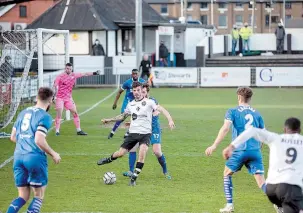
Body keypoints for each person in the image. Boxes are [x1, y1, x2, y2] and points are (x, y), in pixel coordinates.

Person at [98, 81, 175, 186]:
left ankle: (133, 179)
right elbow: (122, 116)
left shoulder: (150, 102)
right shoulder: (131, 104)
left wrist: (170, 120)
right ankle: (109, 159)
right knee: (121, 153)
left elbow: (162, 109)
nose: (137, 92)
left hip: (146, 134)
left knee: (143, 154)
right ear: (132, 91)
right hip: (133, 134)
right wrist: (109, 120)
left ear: (143, 91)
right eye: (134, 90)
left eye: (138, 90)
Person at [205, 87, 267, 213]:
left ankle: (229, 205)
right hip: (255, 151)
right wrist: (258, 147)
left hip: (239, 149)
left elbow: (225, 128)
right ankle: (280, 203)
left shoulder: (232, 111)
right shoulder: (257, 113)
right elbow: (263, 134)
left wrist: (214, 145)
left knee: (227, 174)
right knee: (261, 182)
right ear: (250, 98)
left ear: (239, 97)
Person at [223, 117, 303, 213]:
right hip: (290, 188)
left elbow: (252, 130)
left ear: (284, 129)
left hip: (271, 189)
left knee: (287, 204)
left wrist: (231, 146)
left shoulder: (276, 138)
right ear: (299, 130)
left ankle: (282, 207)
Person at [5, 87, 61, 213]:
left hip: (18, 157)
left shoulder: (23, 112)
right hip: (34, 158)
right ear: (50, 100)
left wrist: (25, 143)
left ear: (37, 98)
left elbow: (13, 137)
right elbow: (38, 140)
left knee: (22, 196)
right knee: (38, 197)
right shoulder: (45, 116)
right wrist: (53, 153)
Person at [122, 83, 173, 179]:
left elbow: (158, 111)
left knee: (157, 151)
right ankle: (130, 171)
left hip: (154, 129)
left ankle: (165, 171)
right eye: (141, 92)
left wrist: (169, 120)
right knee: (133, 148)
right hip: (141, 130)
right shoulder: (138, 101)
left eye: (144, 92)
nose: (142, 94)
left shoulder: (151, 101)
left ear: (147, 92)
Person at [53, 63, 101, 136]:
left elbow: (85, 74)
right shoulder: (60, 76)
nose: (68, 70)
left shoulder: (74, 75)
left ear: (71, 69)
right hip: (60, 98)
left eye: (69, 69)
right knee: (59, 114)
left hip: (68, 98)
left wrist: (94, 73)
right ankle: (57, 131)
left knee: (75, 113)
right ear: (65, 69)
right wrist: (54, 96)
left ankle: (79, 130)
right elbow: (55, 86)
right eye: (67, 68)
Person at [108, 69, 145, 139]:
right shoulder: (128, 82)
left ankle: (128, 133)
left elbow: (146, 92)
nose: (135, 75)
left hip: (137, 103)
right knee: (122, 117)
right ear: (131, 74)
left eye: (136, 74)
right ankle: (112, 132)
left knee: (136, 118)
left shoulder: (142, 82)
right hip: (127, 102)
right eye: (133, 74)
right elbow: (119, 92)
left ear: (138, 74)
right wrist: (115, 103)